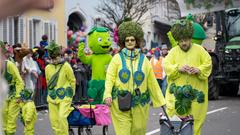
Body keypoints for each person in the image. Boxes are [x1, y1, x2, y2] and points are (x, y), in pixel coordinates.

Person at [103, 21, 165, 135]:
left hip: (140, 104)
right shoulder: (117, 58)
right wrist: (107, 94)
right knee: (123, 132)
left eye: (132, 40)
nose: (130, 42)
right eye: (127, 40)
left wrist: (160, 100)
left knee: (139, 131)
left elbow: (152, 81)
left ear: (136, 41)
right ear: (123, 42)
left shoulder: (144, 59)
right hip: (120, 103)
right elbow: (110, 77)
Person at [164, 19, 212, 135]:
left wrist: (198, 70)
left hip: (196, 95)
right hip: (176, 96)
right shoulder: (173, 52)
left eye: (185, 40)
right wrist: (177, 68)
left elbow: (208, 63)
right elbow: (167, 66)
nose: (183, 43)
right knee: (176, 125)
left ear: (190, 38)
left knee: (195, 124)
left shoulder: (200, 50)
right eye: (180, 41)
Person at [45, 42, 76, 135]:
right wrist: (51, 93)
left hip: (65, 96)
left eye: (56, 57)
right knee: (54, 121)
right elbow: (48, 82)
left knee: (62, 117)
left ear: (60, 55)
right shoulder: (47, 68)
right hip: (52, 97)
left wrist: (71, 94)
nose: (54, 60)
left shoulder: (66, 66)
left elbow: (72, 80)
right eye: (52, 58)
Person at [1, 42, 25, 135]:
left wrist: (18, 95)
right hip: (2, 97)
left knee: (11, 122)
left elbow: (19, 81)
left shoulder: (10, 65)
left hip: (13, 95)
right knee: (3, 123)